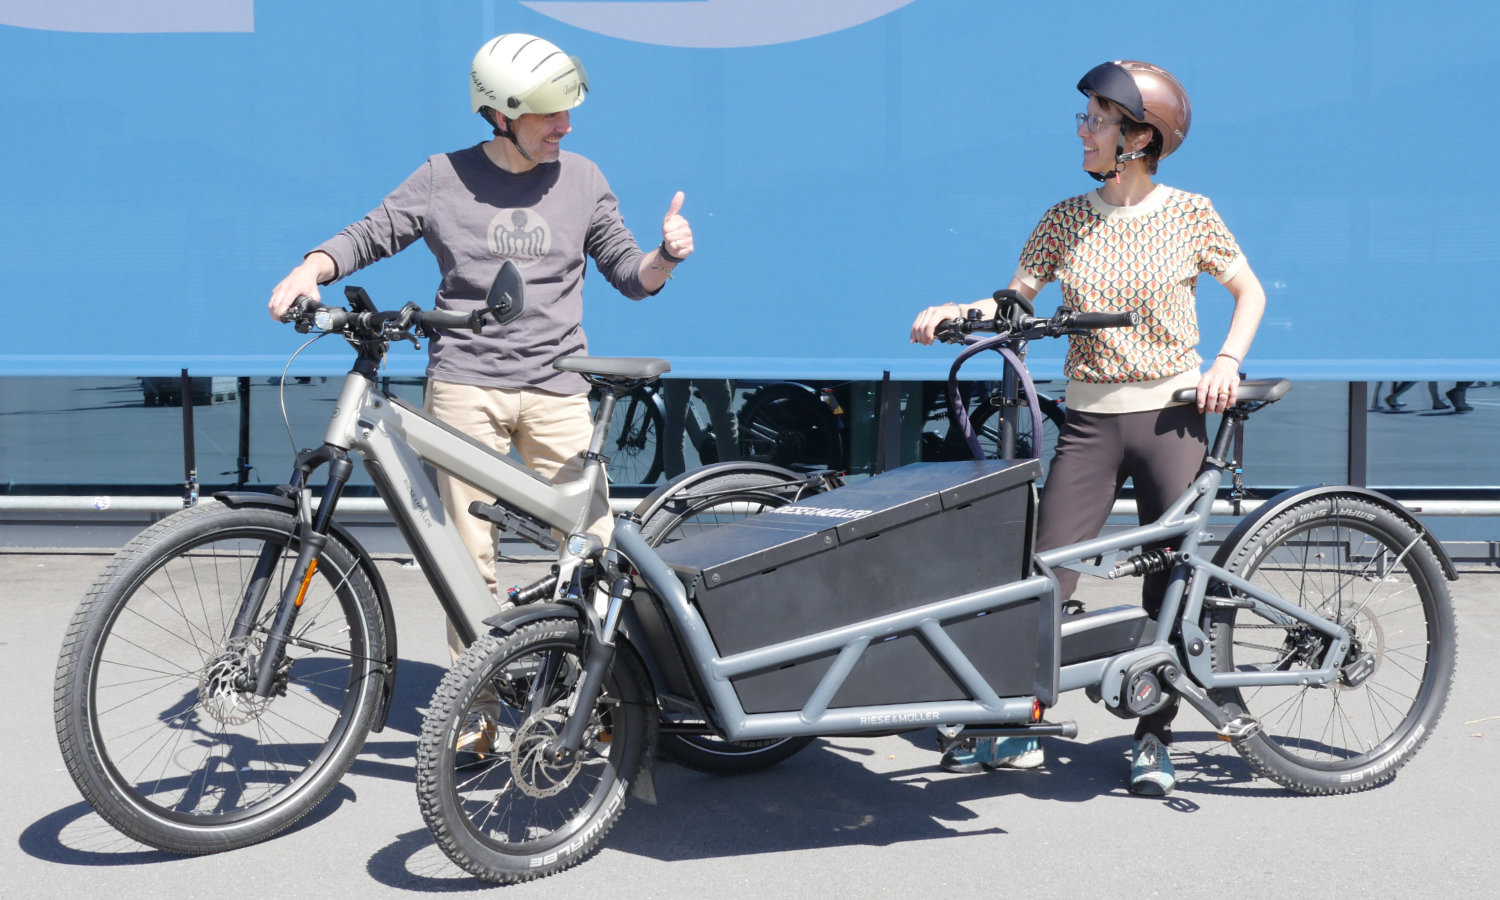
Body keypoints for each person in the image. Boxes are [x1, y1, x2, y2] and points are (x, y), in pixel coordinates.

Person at [267, 33, 694, 751]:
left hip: (560, 387)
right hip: (466, 387)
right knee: (467, 560)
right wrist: (313, 267)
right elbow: (375, 232)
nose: (565, 126)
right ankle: (480, 715)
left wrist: (664, 257)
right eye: (550, 115)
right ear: (500, 114)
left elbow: (630, 273)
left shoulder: (584, 178)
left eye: (567, 114)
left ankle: (591, 698)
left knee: (587, 550)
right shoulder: (444, 177)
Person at [910, 60, 1266, 796]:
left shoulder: (1191, 213)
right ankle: (1019, 723)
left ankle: (1153, 738)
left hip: (1172, 416)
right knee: (1047, 574)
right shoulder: (1065, 217)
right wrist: (958, 311)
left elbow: (1249, 290)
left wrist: (1225, 362)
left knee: (1169, 581)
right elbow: (1013, 300)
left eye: (1097, 119)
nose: (1083, 130)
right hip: (1091, 422)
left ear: (1141, 136)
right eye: (1086, 117)